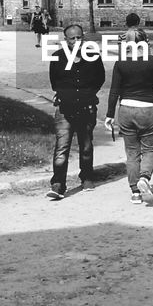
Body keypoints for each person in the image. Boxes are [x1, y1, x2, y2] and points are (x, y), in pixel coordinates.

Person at [105, 29, 153, 205]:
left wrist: (109, 115)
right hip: (148, 110)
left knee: (132, 152)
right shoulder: (152, 62)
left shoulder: (120, 63)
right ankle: (144, 177)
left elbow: (114, 91)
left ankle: (135, 192)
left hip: (126, 110)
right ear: (146, 42)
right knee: (150, 149)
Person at [46, 24, 106, 200]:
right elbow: (54, 82)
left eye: (79, 37)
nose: (76, 41)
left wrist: (87, 94)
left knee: (86, 145)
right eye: (72, 38)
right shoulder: (58, 57)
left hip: (86, 108)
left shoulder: (93, 56)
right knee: (61, 148)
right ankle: (58, 184)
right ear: (66, 40)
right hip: (65, 109)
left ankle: (87, 177)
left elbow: (100, 78)